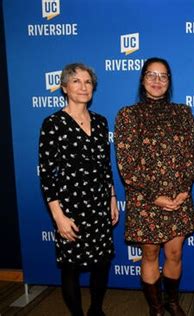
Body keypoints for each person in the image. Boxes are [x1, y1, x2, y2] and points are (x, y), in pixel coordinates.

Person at [115, 57, 194, 316]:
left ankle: (172, 302)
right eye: (151, 75)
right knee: (149, 255)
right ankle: (156, 308)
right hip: (145, 201)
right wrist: (155, 196)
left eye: (163, 76)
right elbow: (126, 166)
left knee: (174, 254)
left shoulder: (182, 112)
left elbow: (192, 156)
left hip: (178, 198)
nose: (157, 81)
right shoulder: (128, 115)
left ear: (169, 81)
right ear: (142, 80)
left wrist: (184, 189)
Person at [39, 63, 119, 316]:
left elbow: (105, 167)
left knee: (101, 265)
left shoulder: (100, 121)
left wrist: (112, 198)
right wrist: (58, 216)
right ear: (64, 88)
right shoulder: (53, 123)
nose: (83, 87)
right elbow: (48, 175)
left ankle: (96, 309)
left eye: (88, 82)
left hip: (99, 205)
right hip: (70, 208)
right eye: (76, 81)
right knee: (71, 268)